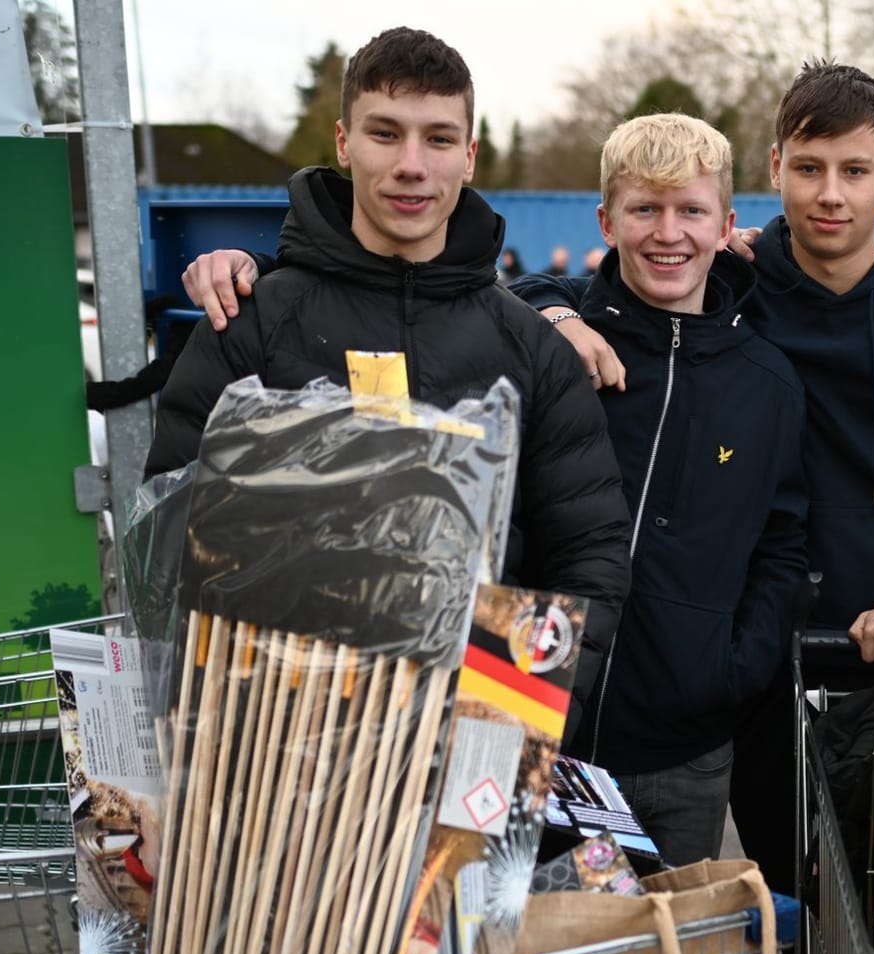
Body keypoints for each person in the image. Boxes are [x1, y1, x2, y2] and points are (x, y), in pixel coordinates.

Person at [522, 61, 874, 891]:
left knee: (870, 913)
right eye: (809, 169)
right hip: (755, 665)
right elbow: (593, 290)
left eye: (854, 171)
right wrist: (552, 311)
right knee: (772, 902)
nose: (830, 195)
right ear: (775, 169)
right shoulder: (738, 284)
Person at [144, 27, 632, 722]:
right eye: (385, 134)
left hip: (468, 741)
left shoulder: (528, 346)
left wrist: (510, 716)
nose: (411, 165)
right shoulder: (251, 325)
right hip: (271, 749)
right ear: (344, 144)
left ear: (468, 157)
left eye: (437, 139)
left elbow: (590, 557)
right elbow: (172, 536)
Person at [506, 113, 807, 865]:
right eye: (644, 209)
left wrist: (730, 672)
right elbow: (467, 289)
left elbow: (783, 541)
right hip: (534, 731)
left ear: (726, 224)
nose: (666, 233)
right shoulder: (556, 348)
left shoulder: (766, 384)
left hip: (685, 750)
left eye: (690, 211)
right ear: (607, 220)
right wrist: (549, 313)